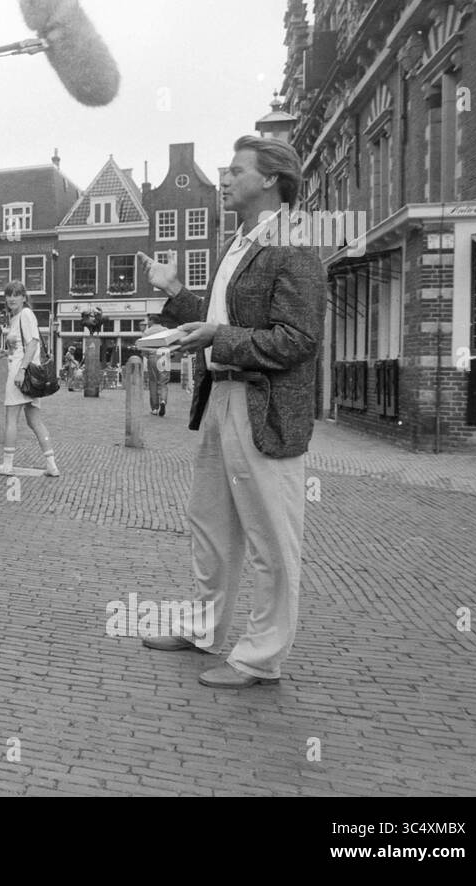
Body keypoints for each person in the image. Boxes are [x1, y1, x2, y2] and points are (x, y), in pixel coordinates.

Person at [138, 134, 324, 689]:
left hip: (263, 407)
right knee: (211, 524)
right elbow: (223, 321)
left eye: (236, 170)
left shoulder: (293, 243)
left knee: (271, 538)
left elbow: (298, 339)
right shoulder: (239, 244)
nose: (225, 178)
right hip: (221, 396)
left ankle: (260, 658)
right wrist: (177, 294)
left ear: (270, 179)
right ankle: (202, 629)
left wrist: (220, 337)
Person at [0, 281, 60, 477]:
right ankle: (51, 465)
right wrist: (6, 352)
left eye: (16, 294)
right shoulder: (15, 318)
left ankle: (7, 465)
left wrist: (21, 370)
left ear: (24, 297)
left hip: (21, 373)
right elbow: (22, 347)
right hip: (28, 371)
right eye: (8, 294)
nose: (11, 298)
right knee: (34, 421)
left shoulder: (26, 314)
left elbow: (32, 345)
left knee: (11, 419)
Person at [142, 325, 170, 416]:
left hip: (153, 355)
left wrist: (147, 356)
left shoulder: (147, 332)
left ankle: (154, 408)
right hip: (164, 355)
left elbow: (143, 345)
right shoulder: (165, 329)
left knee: (153, 382)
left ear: (151, 321)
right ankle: (163, 400)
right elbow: (171, 342)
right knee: (163, 382)